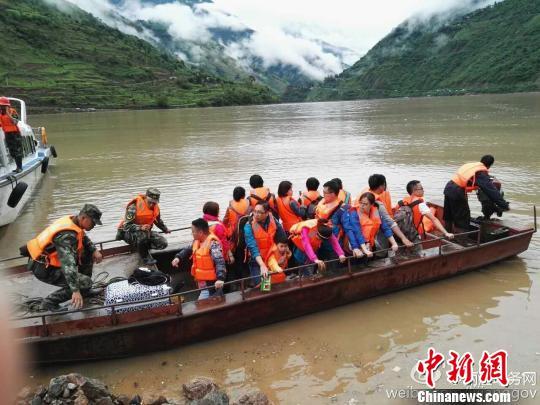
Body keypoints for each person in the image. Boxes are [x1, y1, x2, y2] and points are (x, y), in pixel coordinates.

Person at [26, 204, 104, 311]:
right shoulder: (66, 235)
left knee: (88, 253)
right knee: (85, 282)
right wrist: (75, 290)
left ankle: (84, 291)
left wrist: (94, 250)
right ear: (83, 218)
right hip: (44, 268)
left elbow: (83, 237)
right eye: (93, 222)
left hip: (50, 263)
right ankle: (49, 302)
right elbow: (68, 265)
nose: (94, 225)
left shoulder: (73, 221)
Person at [443, 155, 509, 231]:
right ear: (490, 165)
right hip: (457, 191)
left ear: (481, 160)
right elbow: (491, 191)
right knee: (463, 218)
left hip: (449, 187)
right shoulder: (480, 172)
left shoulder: (472, 165)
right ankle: (461, 241)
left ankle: (447, 236)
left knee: (448, 215)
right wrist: (504, 205)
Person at [355, 174, 414, 249]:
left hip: (359, 234)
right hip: (365, 238)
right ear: (381, 186)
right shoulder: (377, 204)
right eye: (384, 184)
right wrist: (403, 238)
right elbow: (389, 222)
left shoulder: (364, 194)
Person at [171, 218, 225, 300]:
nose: (191, 233)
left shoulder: (213, 244)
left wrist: (220, 278)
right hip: (201, 282)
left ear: (200, 232)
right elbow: (188, 249)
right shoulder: (197, 241)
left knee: (204, 303)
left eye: (193, 231)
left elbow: (220, 262)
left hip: (211, 284)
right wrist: (178, 257)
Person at [315, 180, 368, 260]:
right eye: (323, 192)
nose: (323, 194)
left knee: (333, 265)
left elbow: (349, 228)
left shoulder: (342, 209)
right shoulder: (322, 204)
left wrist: (355, 247)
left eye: (325, 192)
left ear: (333, 194)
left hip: (334, 245)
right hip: (319, 241)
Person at [117, 188, 170, 265]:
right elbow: (126, 226)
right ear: (145, 198)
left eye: (154, 203)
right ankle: (145, 257)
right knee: (143, 235)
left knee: (163, 243)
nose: (152, 204)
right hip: (128, 233)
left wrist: (165, 229)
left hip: (145, 232)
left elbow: (157, 220)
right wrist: (140, 227)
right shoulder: (133, 207)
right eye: (150, 202)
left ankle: (142, 246)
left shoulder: (156, 207)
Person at [244, 202, 287, 286]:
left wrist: (284, 255)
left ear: (267, 213)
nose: (256, 214)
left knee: (277, 282)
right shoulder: (248, 226)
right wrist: (262, 265)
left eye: (259, 212)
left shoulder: (273, 220)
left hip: (272, 257)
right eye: (255, 211)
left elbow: (282, 238)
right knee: (264, 286)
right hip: (257, 260)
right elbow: (253, 248)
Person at [0, 97, 23, 173]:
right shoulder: (0, 113)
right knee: (12, 151)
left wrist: (8, 114)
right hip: (7, 133)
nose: (1, 107)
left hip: (15, 134)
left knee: (17, 150)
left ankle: (19, 167)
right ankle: (17, 166)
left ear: (6, 106)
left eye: (2, 105)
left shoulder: (12, 111)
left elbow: (15, 122)